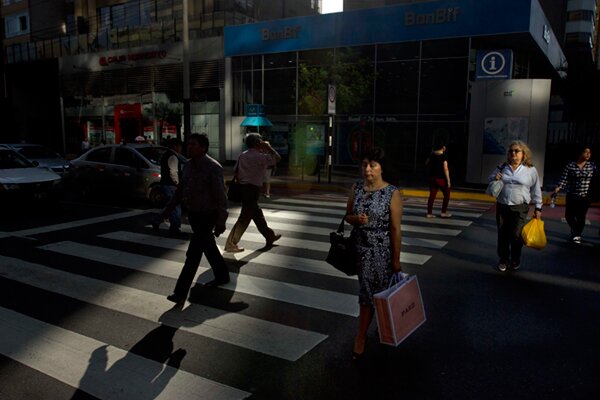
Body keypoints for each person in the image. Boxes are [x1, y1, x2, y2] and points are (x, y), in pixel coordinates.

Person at [345, 147, 403, 360]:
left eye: (372, 165)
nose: (367, 169)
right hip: (360, 251)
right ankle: (379, 328)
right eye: (364, 165)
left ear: (381, 169)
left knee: (370, 295)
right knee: (371, 294)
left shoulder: (391, 193)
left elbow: (396, 229)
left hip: (381, 253)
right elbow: (347, 216)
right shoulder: (357, 189)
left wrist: (396, 260)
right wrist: (355, 220)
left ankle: (361, 337)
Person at [159, 133, 230, 303]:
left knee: (193, 254)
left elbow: (221, 197)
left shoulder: (213, 167)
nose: (188, 147)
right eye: (188, 144)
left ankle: (180, 292)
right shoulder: (188, 166)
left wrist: (221, 221)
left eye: (193, 144)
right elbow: (181, 189)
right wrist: (168, 209)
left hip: (208, 215)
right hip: (194, 215)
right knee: (209, 247)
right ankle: (222, 275)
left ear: (203, 148)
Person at [488, 140, 542, 272]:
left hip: (520, 207)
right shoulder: (502, 166)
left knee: (516, 235)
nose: (513, 153)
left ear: (523, 154)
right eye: (511, 151)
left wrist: (538, 207)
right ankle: (503, 259)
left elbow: (536, 189)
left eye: (517, 151)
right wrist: (495, 177)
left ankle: (515, 258)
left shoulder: (530, 170)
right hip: (502, 205)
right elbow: (489, 179)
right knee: (502, 234)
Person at [224, 133, 282, 253]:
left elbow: (236, 170)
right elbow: (277, 158)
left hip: (244, 188)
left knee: (257, 214)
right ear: (257, 143)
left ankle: (269, 235)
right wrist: (269, 147)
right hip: (252, 189)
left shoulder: (242, 155)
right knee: (244, 218)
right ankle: (230, 243)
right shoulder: (259, 156)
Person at [553, 146, 597, 244]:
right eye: (585, 152)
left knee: (581, 216)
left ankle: (577, 234)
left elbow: (596, 180)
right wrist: (558, 188)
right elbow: (564, 179)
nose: (588, 154)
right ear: (579, 153)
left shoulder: (592, 166)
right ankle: (574, 229)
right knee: (569, 215)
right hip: (572, 195)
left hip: (585, 196)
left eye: (589, 152)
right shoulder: (570, 166)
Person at [152, 138, 184, 236]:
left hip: (166, 184)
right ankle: (174, 228)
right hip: (171, 185)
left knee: (170, 206)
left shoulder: (167, 154)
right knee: (175, 207)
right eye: (180, 146)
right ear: (175, 146)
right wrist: (178, 184)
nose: (181, 148)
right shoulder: (173, 157)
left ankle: (157, 221)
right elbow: (173, 172)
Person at [425, 144, 452, 218]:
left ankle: (429, 213)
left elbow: (426, 163)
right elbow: (445, 168)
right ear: (443, 148)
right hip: (441, 179)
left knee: (432, 196)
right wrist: (448, 180)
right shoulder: (443, 156)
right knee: (447, 194)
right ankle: (443, 212)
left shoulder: (432, 155)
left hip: (432, 178)